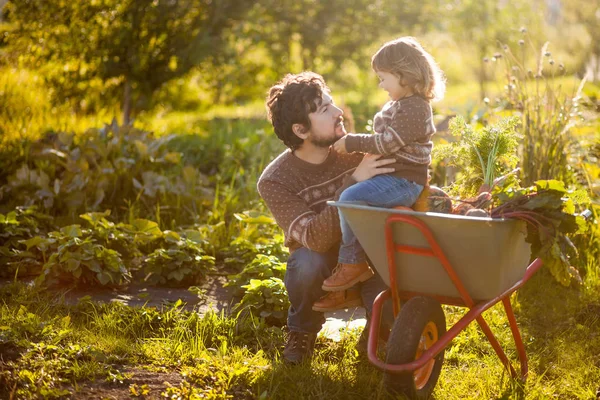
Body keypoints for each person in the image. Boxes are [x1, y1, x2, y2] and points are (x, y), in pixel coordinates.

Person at [258, 72, 395, 364]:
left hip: (367, 261)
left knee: (397, 253)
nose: (338, 113)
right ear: (301, 130)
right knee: (306, 262)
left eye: (333, 104)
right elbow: (316, 239)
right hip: (322, 268)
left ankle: (379, 331)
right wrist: (354, 182)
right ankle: (302, 331)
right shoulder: (275, 180)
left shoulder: (356, 150)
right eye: (324, 109)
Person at [322, 36, 446, 293]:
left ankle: (352, 262)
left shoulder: (415, 108)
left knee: (349, 198)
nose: (381, 85)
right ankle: (357, 267)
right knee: (352, 199)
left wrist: (352, 142)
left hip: (405, 181)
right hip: (392, 177)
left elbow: (388, 143)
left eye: (383, 77)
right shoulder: (401, 104)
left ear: (405, 75)